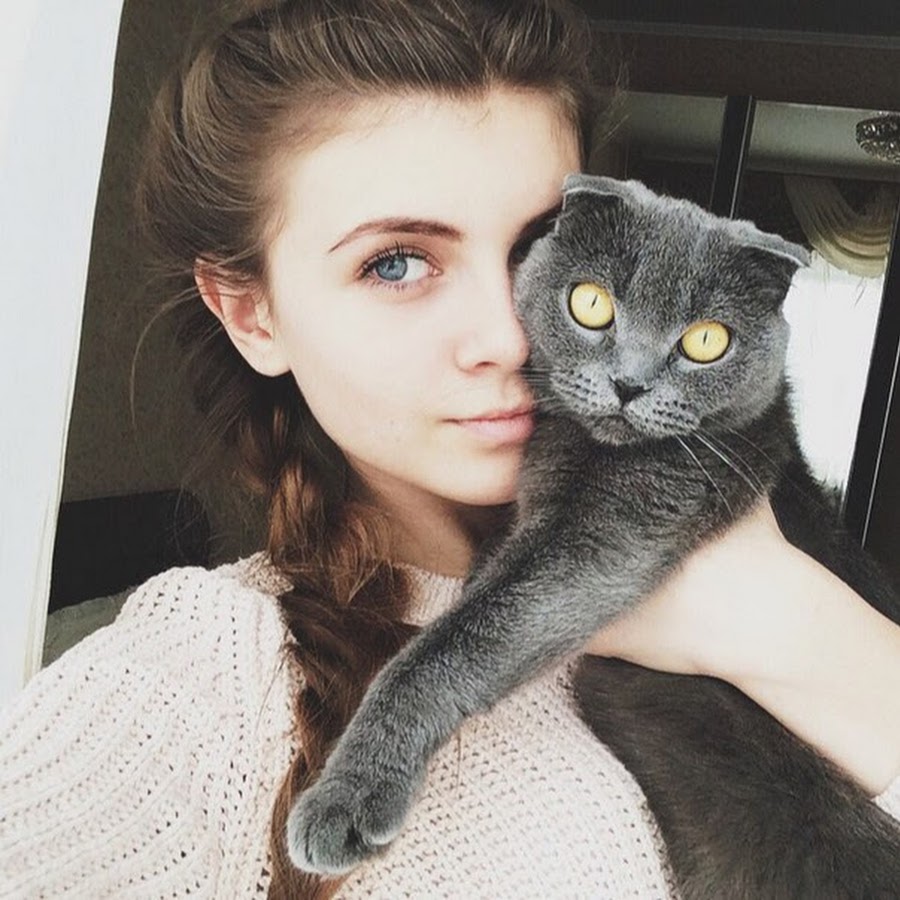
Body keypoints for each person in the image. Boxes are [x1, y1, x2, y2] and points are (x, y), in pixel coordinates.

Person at [1, 0, 898, 897]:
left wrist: (785, 621)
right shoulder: (194, 686)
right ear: (252, 314)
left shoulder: (756, 549)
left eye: (536, 248)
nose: (505, 339)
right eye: (395, 263)